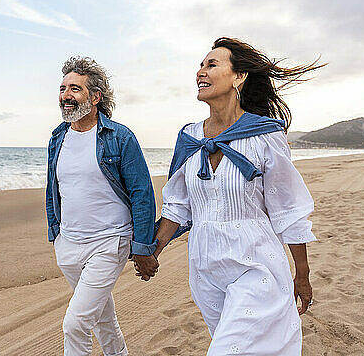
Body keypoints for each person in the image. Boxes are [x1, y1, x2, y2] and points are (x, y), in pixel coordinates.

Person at [138, 38, 325, 355]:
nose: (201, 71)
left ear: (239, 77)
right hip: (204, 268)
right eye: (200, 65)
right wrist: (153, 250)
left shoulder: (265, 135)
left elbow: (288, 209)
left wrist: (302, 275)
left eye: (212, 64)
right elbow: (179, 206)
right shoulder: (190, 137)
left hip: (255, 264)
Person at [46, 56, 159, 356]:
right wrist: (56, 234)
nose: (66, 95)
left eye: (75, 89)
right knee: (101, 318)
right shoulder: (58, 137)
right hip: (69, 245)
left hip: (109, 242)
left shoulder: (119, 137)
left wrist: (143, 247)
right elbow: (54, 189)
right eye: (62, 88)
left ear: (95, 97)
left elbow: (142, 194)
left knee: (75, 324)